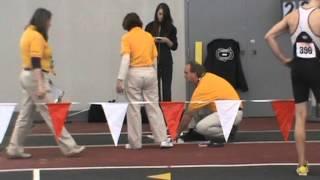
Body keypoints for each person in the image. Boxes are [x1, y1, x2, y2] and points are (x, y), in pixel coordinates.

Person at [6, 8, 85, 159]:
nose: (50, 24)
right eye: (49, 21)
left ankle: (14, 148)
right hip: (35, 77)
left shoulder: (27, 33)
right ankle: (69, 147)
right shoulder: (36, 36)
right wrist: (41, 85)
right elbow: (36, 60)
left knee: (24, 116)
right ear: (43, 20)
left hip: (26, 76)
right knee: (52, 113)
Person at [265, 0, 320, 176]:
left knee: (300, 117)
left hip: (297, 70)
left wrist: (284, 60)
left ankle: (302, 165)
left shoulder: (292, 16)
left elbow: (269, 36)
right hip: (317, 68)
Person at [116, 12, 173, 149]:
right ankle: (162, 139)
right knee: (153, 106)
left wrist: (120, 79)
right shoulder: (148, 36)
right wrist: (154, 74)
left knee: (134, 108)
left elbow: (126, 59)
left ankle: (135, 143)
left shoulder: (126, 37)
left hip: (134, 73)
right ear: (139, 22)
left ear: (126, 25)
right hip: (150, 72)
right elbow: (154, 58)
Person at [176, 62, 243, 146]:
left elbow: (188, 114)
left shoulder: (203, 87)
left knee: (201, 127)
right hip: (233, 110)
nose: (184, 76)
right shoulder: (208, 77)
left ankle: (227, 132)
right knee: (196, 109)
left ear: (194, 74)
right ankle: (196, 133)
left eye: (186, 73)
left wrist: (177, 134)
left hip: (231, 112)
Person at [145, 3, 178, 101]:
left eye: (163, 14)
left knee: (166, 89)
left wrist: (167, 40)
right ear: (156, 13)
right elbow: (144, 43)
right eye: (159, 14)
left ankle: (168, 112)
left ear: (166, 15)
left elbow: (175, 46)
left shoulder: (171, 28)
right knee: (155, 89)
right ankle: (156, 112)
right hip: (153, 62)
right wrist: (152, 40)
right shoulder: (149, 26)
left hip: (166, 62)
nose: (161, 16)